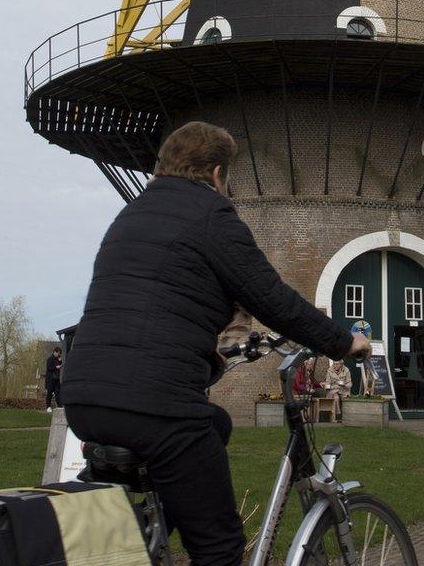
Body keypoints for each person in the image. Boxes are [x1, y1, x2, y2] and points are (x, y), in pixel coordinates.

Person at [61, 121, 370, 566]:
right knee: (220, 547)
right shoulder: (211, 215)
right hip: (154, 405)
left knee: (215, 425)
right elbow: (273, 299)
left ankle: (139, 548)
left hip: (84, 396)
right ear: (219, 174)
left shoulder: (130, 216)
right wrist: (344, 343)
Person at [44, 347, 62, 412]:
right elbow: (48, 368)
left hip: (56, 379)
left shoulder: (57, 359)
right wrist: (56, 367)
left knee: (58, 393)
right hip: (50, 379)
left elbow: (59, 365)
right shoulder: (50, 359)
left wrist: (60, 362)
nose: (58, 355)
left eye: (59, 354)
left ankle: (60, 406)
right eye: (58, 353)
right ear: (55, 352)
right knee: (49, 393)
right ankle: (48, 407)